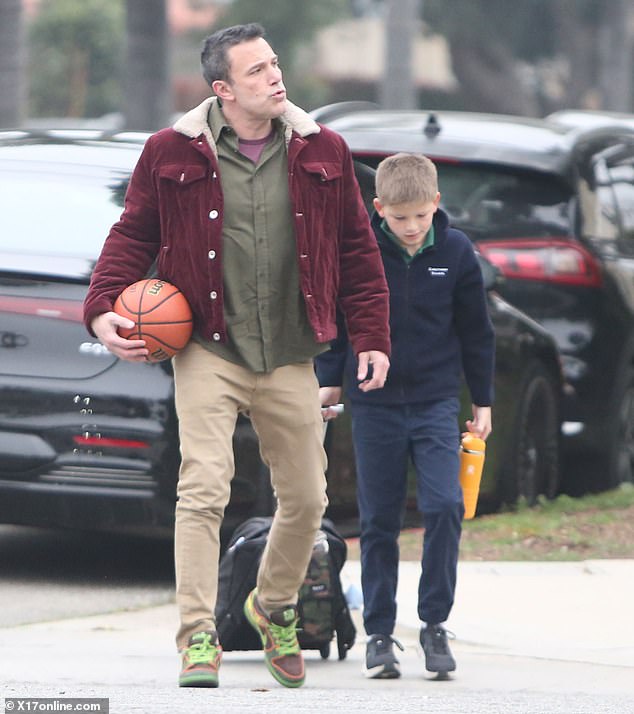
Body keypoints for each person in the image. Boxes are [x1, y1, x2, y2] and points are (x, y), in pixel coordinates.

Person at [83, 23, 390, 689]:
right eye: (256, 71)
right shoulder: (171, 150)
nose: (275, 77)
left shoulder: (323, 149)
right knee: (203, 489)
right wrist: (103, 305)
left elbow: (358, 250)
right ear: (222, 89)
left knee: (309, 500)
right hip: (208, 347)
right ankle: (199, 635)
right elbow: (134, 231)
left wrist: (370, 336)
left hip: (290, 349)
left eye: (275, 64)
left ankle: (272, 605)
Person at [317, 152, 494, 679]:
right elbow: (337, 321)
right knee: (379, 519)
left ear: (435, 204)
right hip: (374, 403)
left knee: (444, 507)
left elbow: (476, 332)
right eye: (399, 218)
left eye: (420, 216)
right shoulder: (360, 250)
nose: (412, 228)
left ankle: (435, 623)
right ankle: (378, 633)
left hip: (437, 401)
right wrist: (328, 382)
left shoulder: (458, 252)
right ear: (378, 209)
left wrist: (482, 401)